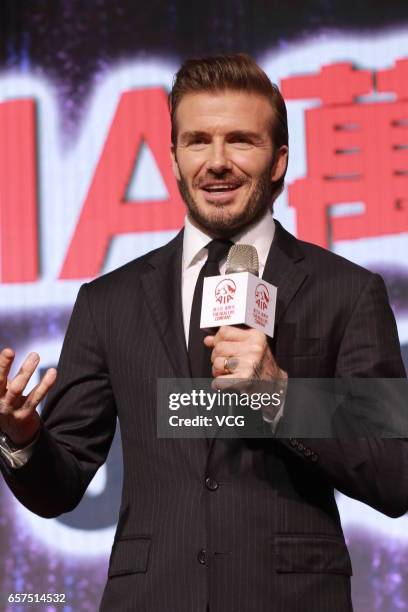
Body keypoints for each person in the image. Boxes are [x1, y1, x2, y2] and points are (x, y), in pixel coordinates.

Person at [0, 54, 406, 612]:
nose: (216, 162)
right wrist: (22, 439)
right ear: (172, 158)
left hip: (290, 597)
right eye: (197, 141)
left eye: (240, 140)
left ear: (279, 160)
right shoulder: (107, 302)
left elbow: (394, 473)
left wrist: (283, 395)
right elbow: (60, 484)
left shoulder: (348, 292)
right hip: (152, 596)